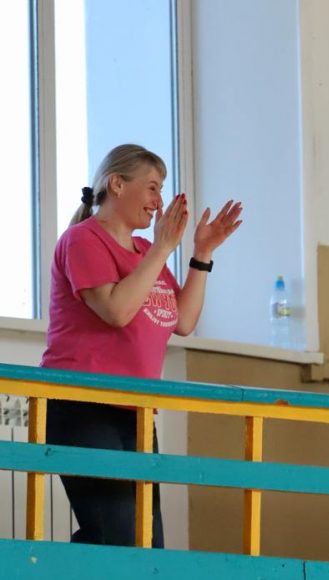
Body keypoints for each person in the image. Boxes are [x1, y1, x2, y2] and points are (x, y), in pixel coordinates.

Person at [41, 144, 243, 547]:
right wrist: (164, 248)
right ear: (117, 184)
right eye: (152, 188)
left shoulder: (146, 254)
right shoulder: (83, 240)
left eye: (161, 190)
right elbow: (116, 310)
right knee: (117, 536)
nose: (159, 202)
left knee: (148, 544)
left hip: (135, 411)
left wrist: (202, 254)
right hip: (84, 405)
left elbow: (183, 321)